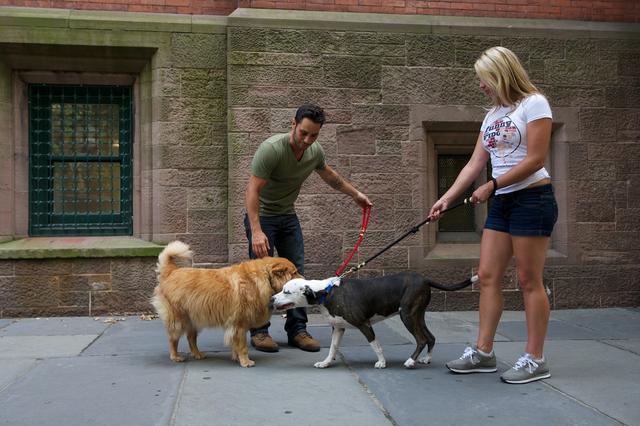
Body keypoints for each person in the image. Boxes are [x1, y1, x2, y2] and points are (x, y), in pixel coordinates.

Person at [428, 46, 558, 384]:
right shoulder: (492, 116)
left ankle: (535, 358)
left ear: (500, 73)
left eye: (483, 78)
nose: (481, 85)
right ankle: (484, 352)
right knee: (487, 275)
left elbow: (536, 159)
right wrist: (445, 198)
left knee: (529, 279)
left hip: (532, 199)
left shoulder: (535, 104)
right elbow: (474, 164)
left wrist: (493, 184)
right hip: (502, 203)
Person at [245, 103, 372, 352]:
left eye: (314, 135)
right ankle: (259, 332)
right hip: (263, 217)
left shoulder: (314, 151)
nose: (307, 139)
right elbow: (252, 190)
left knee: (297, 274)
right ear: (293, 124)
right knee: (261, 278)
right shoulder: (272, 149)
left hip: (287, 216)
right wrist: (257, 230)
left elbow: (330, 176)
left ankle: (298, 331)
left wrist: (355, 194)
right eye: (303, 132)